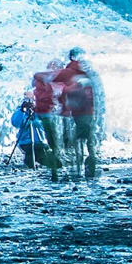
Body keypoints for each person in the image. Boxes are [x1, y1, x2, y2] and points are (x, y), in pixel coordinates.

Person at [49, 47, 103, 180]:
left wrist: (62, 105)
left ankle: (78, 167)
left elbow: (61, 87)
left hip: (77, 111)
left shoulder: (69, 72)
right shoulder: (87, 71)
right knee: (88, 137)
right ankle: (90, 164)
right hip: (88, 109)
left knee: (79, 138)